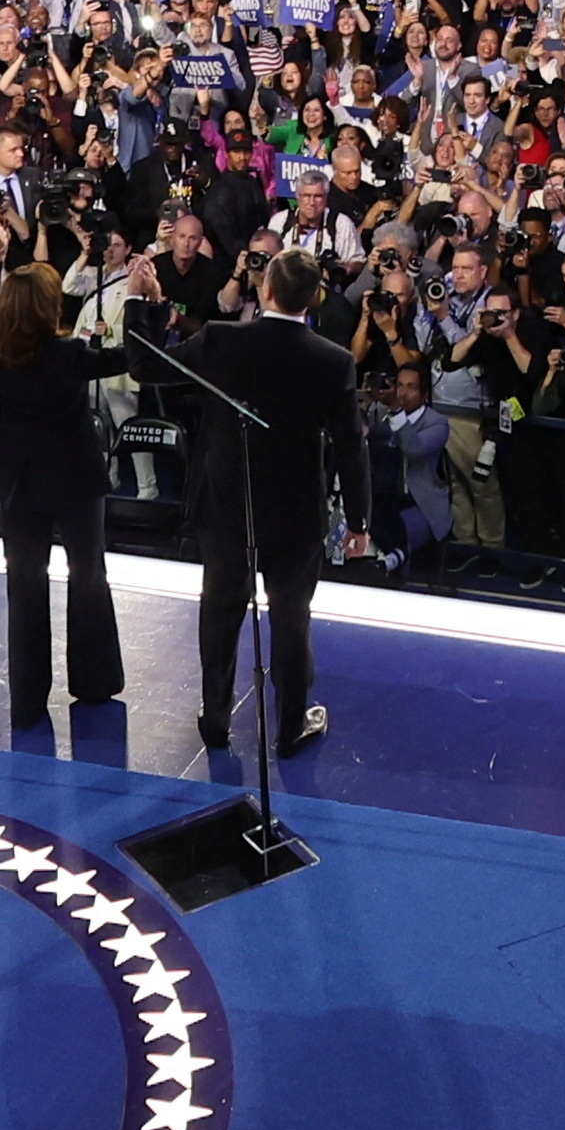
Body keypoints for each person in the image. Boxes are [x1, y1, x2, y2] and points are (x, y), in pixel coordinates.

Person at [180, 250, 355, 753]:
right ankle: (290, 725)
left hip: (226, 506)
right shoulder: (333, 359)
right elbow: (350, 444)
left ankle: (215, 719)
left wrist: (142, 304)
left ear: (265, 291)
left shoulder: (219, 339)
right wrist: (359, 518)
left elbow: (147, 366)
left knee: (219, 611)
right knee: (290, 618)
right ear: (314, 298)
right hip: (295, 515)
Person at [0, 266, 131, 727]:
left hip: (19, 476)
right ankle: (94, 681)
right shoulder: (69, 355)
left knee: (23, 584)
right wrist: (142, 303)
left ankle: (26, 698)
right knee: (87, 575)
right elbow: (133, 359)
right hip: (73, 477)